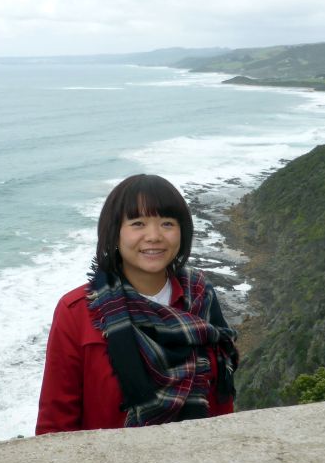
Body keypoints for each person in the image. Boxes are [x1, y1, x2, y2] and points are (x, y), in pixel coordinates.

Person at [36, 174, 238, 434]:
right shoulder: (77, 312)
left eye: (167, 223)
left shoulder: (200, 297)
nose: (153, 236)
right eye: (138, 223)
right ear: (114, 232)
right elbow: (56, 421)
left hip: (197, 459)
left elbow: (222, 398)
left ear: (182, 231)